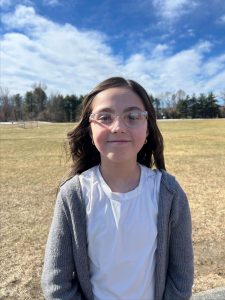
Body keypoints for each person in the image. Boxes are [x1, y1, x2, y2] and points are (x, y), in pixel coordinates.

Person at [41, 77, 194, 300]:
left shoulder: (169, 193)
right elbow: (56, 283)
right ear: (89, 129)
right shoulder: (73, 195)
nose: (119, 127)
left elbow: (181, 277)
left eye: (132, 117)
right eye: (105, 117)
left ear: (148, 127)